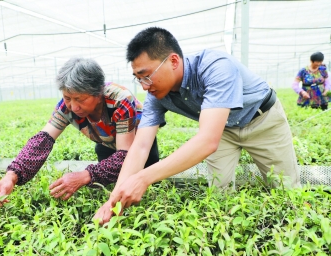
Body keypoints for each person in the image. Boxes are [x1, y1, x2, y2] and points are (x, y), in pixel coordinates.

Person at [94, 27, 301, 224]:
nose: (144, 86)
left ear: (173, 61)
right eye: (138, 78)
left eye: (147, 75)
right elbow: (140, 147)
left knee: (285, 189)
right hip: (225, 131)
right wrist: (113, 199)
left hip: (263, 121)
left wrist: (143, 178)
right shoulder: (155, 96)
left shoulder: (215, 67)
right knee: (219, 195)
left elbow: (208, 141)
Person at [0, 57, 159, 206]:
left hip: (138, 145)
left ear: (98, 93)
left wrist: (85, 175)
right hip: (105, 142)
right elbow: (42, 141)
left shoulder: (120, 100)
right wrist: (12, 176)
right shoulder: (67, 107)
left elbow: (125, 157)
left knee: (145, 183)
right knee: (107, 184)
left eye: (80, 99)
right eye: (67, 98)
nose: (74, 106)